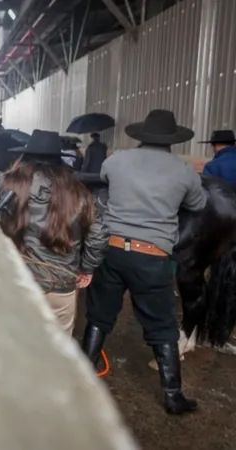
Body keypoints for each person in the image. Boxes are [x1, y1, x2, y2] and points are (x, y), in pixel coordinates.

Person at [82, 109, 206, 415]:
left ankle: (82, 379)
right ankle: (173, 396)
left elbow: (104, 180)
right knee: (162, 326)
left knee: (99, 315)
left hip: (112, 249)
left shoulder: (117, 160)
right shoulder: (183, 170)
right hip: (151, 255)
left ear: (141, 136)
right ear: (172, 140)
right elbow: (198, 204)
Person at [0, 129, 108, 335]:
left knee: (17, 344)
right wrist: (87, 268)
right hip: (61, 284)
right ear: (58, 160)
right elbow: (99, 232)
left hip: (20, 280)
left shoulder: (9, 184)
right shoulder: (80, 193)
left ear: (25, 156)